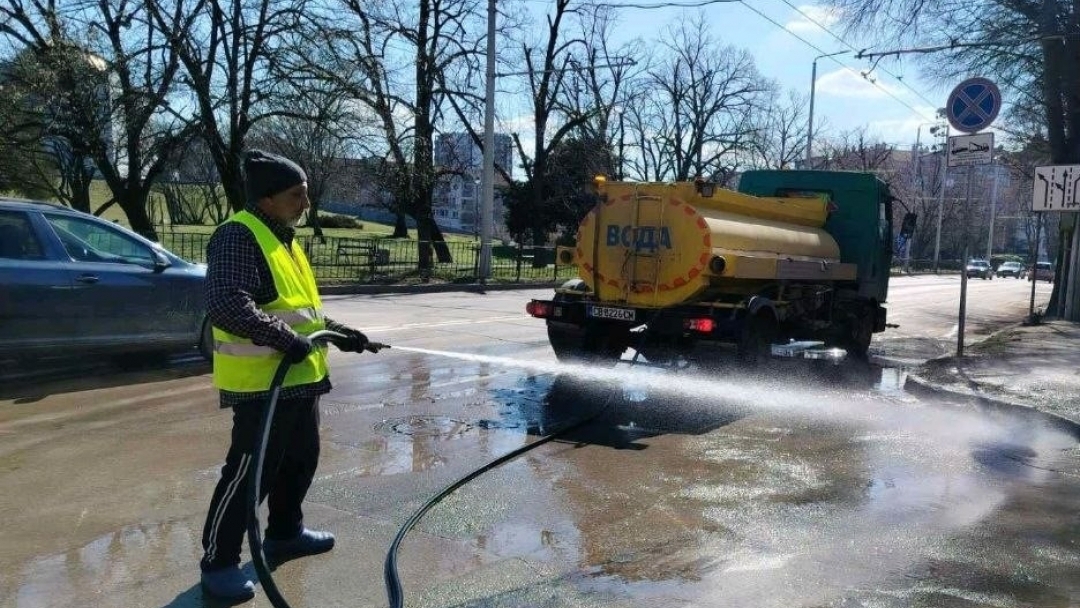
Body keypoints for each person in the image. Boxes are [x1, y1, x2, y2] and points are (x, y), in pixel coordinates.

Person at [199, 150, 374, 602]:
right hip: (262, 384)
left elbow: (301, 313)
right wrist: (283, 339)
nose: (306, 204)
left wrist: (341, 333)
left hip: (299, 380)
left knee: (300, 461)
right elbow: (227, 303)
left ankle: (285, 533)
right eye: (297, 195)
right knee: (249, 474)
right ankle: (218, 562)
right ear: (267, 198)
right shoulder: (239, 235)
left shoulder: (284, 239)